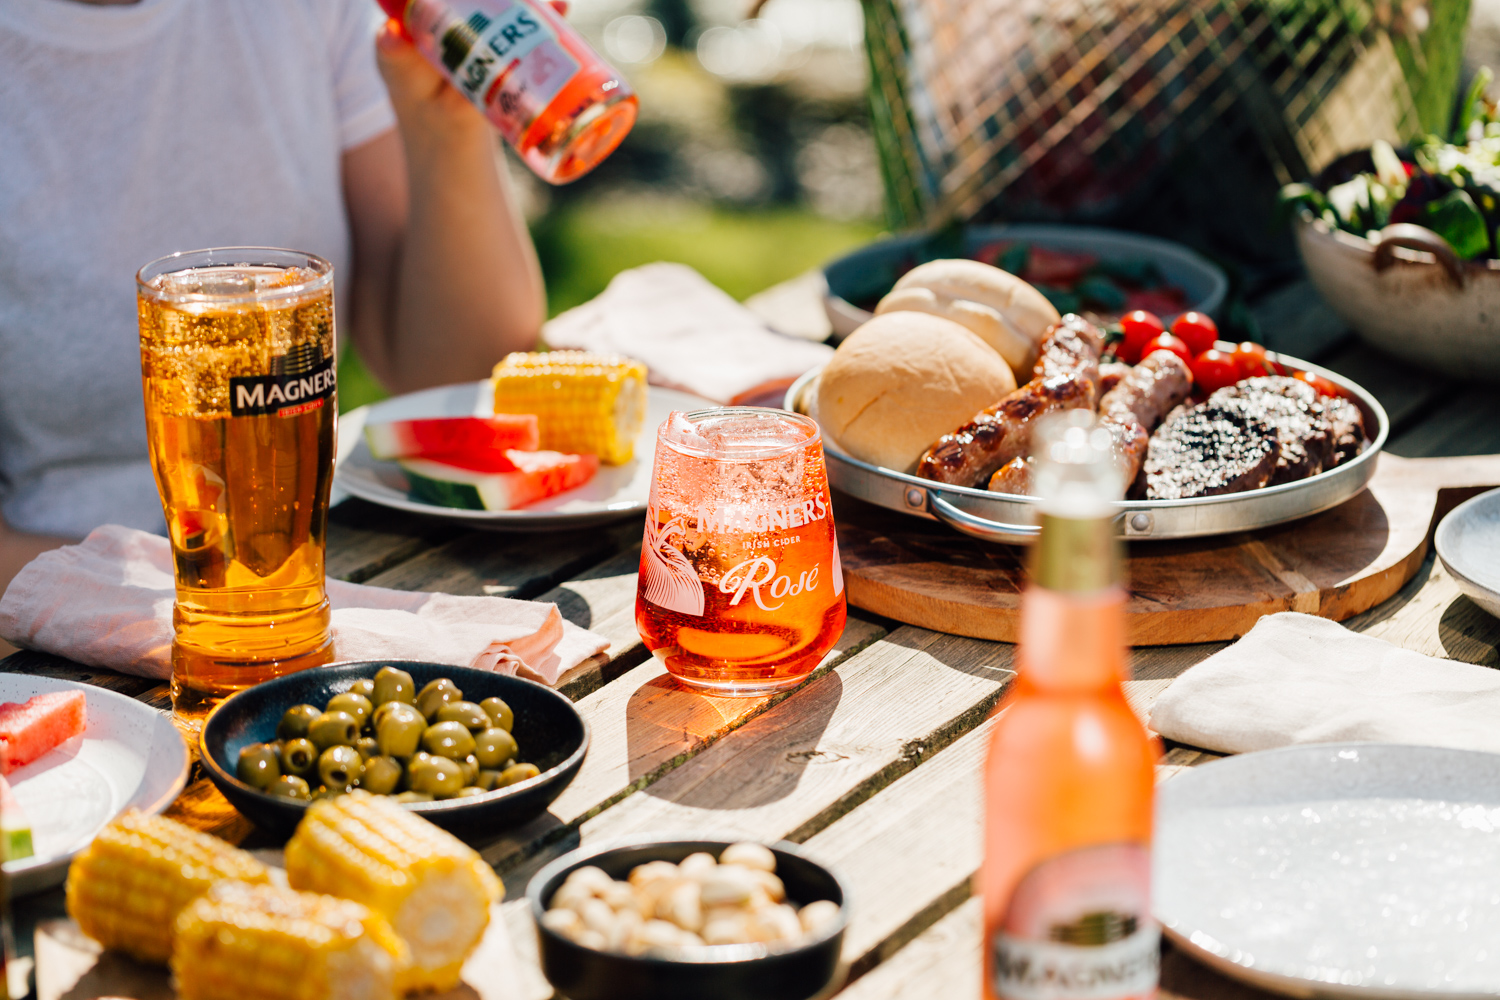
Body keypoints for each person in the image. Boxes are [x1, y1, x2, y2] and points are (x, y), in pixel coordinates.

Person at [0, 0, 548, 626]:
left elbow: (460, 371)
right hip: (56, 626)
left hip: (322, 569)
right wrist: (211, 613)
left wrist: (445, 123)